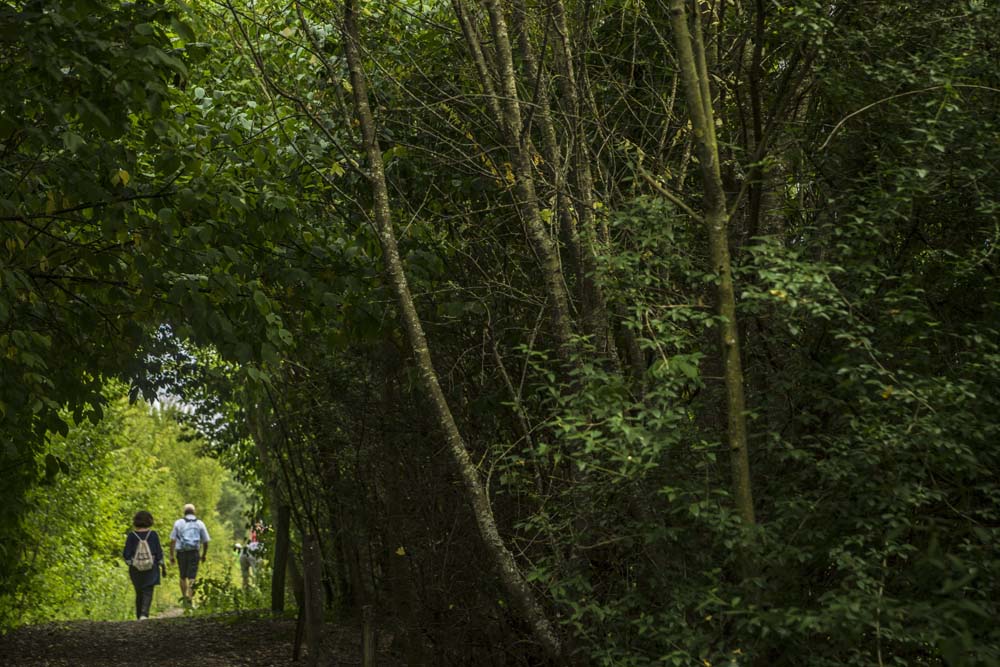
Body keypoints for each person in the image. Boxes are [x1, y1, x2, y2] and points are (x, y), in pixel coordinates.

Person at [122, 510, 166, 620]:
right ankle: (144, 614)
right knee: (148, 590)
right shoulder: (153, 535)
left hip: (136, 568)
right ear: (149, 521)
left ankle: (139, 616)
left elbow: (126, 554)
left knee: (139, 591)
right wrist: (162, 565)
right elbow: (159, 552)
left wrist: (132, 563)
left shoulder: (132, 536)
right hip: (151, 567)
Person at [168, 503, 210, 605]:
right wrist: (203, 554)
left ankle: (184, 598)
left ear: (184, 512)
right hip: (194, 552)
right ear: (194, 512)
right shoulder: (200, 523)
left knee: (182, 576)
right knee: (192, 577)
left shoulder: (178, 523)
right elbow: (206, 541)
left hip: (181, 552)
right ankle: (191, 599)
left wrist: (171, 555)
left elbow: (172, 540)